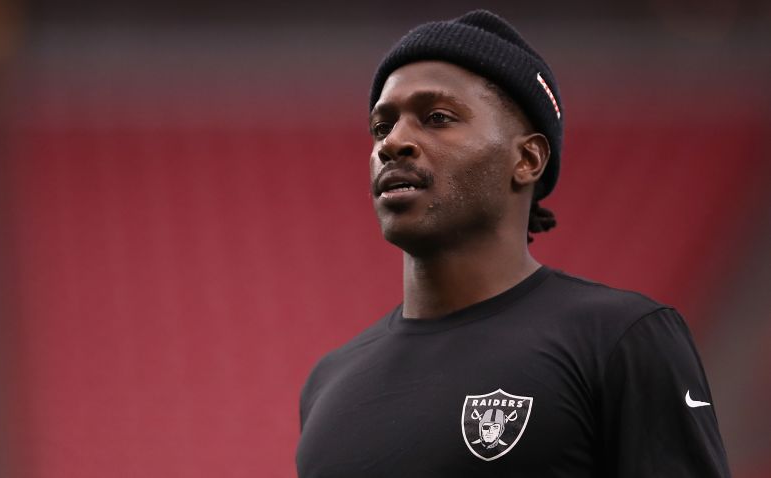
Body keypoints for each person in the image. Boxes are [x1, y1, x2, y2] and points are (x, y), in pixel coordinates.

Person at [296, 9, 730, 478]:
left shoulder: (620, 339)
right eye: (381, 127)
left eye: (436, 118)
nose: (392, 143)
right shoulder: (329, 383)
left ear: (526, 159)